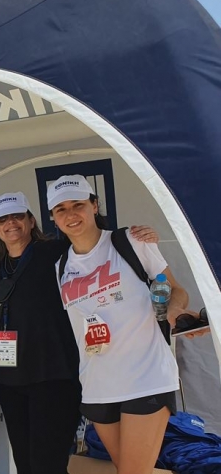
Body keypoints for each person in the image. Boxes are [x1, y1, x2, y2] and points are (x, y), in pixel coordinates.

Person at [0, 191, 158, 474]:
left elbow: (95, 244)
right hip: (11, 378)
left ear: (31, 221)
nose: (11, 223)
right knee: (25, 464)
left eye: (17, 216)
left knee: (48, 464)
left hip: (53, 376)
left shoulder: (57, 252)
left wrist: (139, 238)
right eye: (2, 220)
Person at [48, 175, 191, 474]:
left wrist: (174, 312)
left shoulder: (131, 241)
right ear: (53, 217)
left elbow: (176, 290)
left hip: (146, 376)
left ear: (94, 205)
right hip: (97, 384)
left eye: (78, 204)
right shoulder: (61, 267)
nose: (71, 214)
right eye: (61, 209)